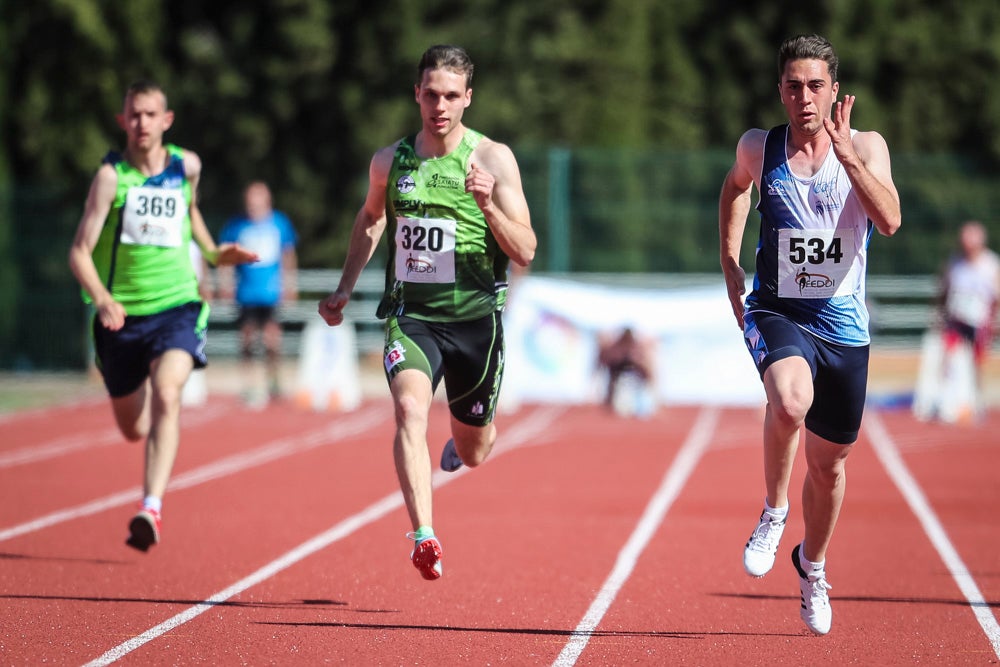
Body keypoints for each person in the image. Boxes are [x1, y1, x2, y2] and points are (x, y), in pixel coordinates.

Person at [318, 44, 535, 580]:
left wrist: (486, 206)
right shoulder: (390, 162)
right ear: (417, 94)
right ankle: (425, 535)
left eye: (451, 96)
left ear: (468, 99)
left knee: (476, 449)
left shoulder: (493, 159)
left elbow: (526, 250)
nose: (440, 105)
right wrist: (345, 288)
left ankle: (465, 442)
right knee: (409, 411)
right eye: (431, 94)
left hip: (476, 322)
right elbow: (371, 220)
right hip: (412, 318)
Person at [718, 35, 901, 634]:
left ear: (833, 90)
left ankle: (812, 566)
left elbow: (891, 220)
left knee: (830, 466)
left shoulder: (868, 146)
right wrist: (729, 262)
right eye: (793, 86)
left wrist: (848, 156)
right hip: (779, 309)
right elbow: (734, 189)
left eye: (815, 86)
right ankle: (774, 510)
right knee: (790, 400)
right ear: (780, 90)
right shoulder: (759, 147)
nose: (804, 97)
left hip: (844, 327)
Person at [68, 80, 258, 552]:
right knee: (132, 428)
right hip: (121, 319)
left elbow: (190, 214)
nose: (141, 124)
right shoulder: (111, 178)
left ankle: (150, 507)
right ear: (122, 121)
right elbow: (79, 252)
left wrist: (214, 253)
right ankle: (125, 396)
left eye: (150, 115)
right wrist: (102, 298)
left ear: (166, 120)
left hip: (177, 305)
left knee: (169, 394)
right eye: (133, 115)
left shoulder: (186, 166)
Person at [218, 182, 299, 406]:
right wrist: (225, 283)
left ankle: (274, 381)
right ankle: (250, 384)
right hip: (246, 292)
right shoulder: (237, 225)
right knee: (247, 339)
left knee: (272, 340)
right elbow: (226, 255)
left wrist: (290, 285)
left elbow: (288, 255)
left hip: (271, 291)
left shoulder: (279, 223)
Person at [938, 221, 999, 410]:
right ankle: (947, 399)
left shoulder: (991, 264)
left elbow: (996, 296)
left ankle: (977, 399)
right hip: (956, 319)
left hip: (980, 320)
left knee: (978, 362)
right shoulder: (954, 262)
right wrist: (940, 314)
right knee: (948, 356)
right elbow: (943, 291)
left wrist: (995, 320)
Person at [596, 326, 656, 417]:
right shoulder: (614, 349)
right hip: (619, 386)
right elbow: (603, 363)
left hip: (637, 387)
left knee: (642, 410)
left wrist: (636, 362)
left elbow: (648, 373)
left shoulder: (638, 350)